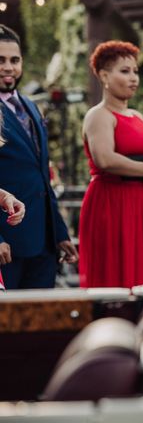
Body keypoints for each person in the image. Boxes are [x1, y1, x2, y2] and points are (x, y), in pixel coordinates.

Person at [78, 40, 143, 288]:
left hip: (141, 204)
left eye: (135, 71)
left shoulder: (137, 116)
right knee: (115, 276)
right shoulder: (98, 115)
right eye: (124, 71)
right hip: (111, 202)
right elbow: (104, 159)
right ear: (104, 76)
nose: (133, 78)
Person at [0, 24, 77, 289]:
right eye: (0, 60)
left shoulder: (31, 106)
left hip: (43, 243)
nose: (8, 67)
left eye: (14, 60)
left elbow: (42, 175)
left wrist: (59, 232)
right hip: (6, 244)